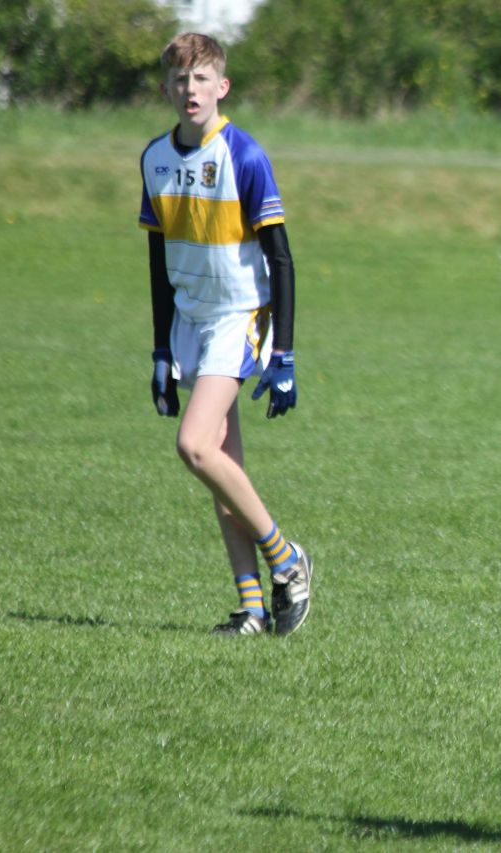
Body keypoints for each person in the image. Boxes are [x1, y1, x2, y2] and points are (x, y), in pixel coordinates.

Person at [139, 32, 312, 637]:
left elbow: (282, 259)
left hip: (239, 315)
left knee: (193, 446)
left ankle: (287, 559)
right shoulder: (154, 158)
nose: (191, 89)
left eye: (202, 78)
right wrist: (161, 348)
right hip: (191, 319)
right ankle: (251, 608)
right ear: (166, 88)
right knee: (219, 461)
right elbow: (158, 266)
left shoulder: (245, 154)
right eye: (181, 80)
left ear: (223, 86)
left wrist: (284, 352)